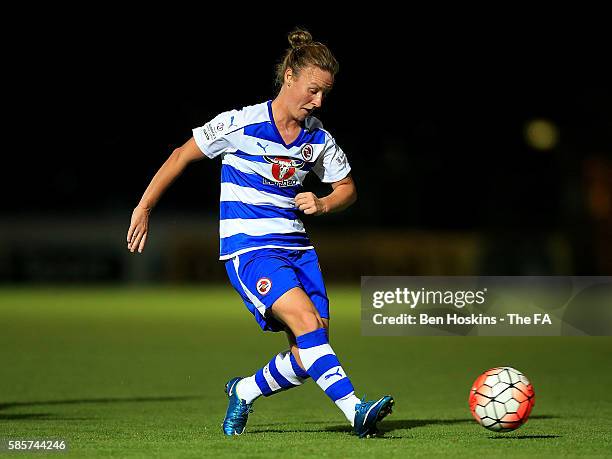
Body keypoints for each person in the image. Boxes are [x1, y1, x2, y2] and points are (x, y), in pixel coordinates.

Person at [126, 28, 394, 438]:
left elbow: (348, 189)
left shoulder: (317, 138)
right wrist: (144, 207)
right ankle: (356, 411)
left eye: (325, 93)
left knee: (312, 347)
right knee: (307, 324)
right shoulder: (240, 123)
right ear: (289, 76)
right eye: (313, 89)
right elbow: (182, 155)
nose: (318, 101)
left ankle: (245, 390)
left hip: (299, 249)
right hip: (251, 249)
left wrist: (323, 203)